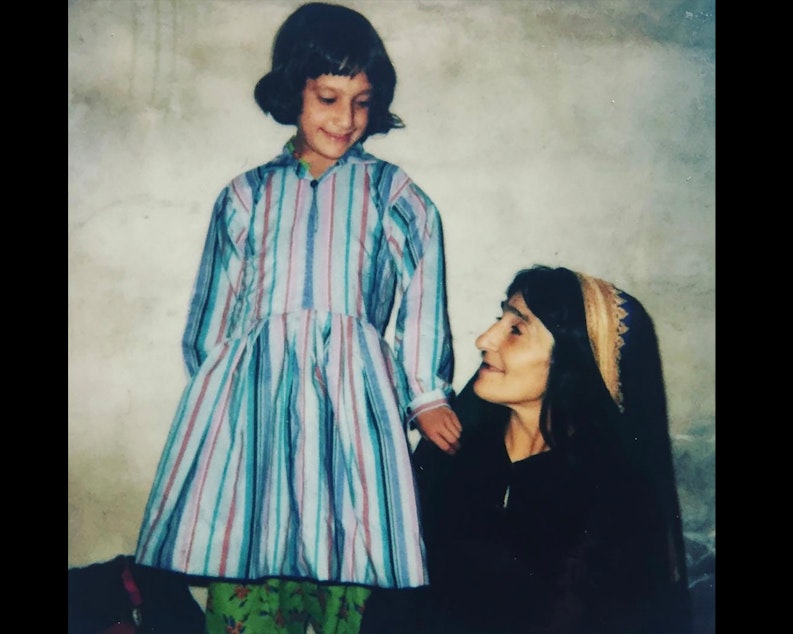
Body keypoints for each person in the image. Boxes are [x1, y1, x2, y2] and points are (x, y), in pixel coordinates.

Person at [134, 3, 462, 633]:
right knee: (254, 532)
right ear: (295, 92)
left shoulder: (395, 196)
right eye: (329, 97)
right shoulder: (245, 195)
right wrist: (216, 393)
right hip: (257, 399)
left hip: (352, 401)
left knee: (351, 541)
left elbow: (423, 295)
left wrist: (424, 392)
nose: (345, 119)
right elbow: (211, 314)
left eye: (361, 102)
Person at [404, 265, 692, 634]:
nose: (485, 340)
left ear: (574, 361)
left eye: (516, 329)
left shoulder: (612, 496)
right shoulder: (452, 451)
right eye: (499, 319)